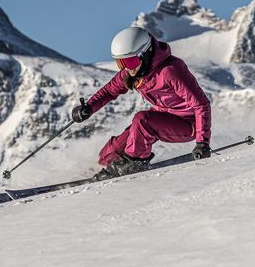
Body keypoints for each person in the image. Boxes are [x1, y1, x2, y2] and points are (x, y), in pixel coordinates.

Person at [71, 26, 212, 179]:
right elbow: (109, 91)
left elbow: (201, 104)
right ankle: (104, 168)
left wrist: (202, 143)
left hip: (188, 124)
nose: (126, 68)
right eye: (120, 63)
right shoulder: (132, 73)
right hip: (161, 116)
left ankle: (134, 163)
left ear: (145, 53)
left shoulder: (170, 70)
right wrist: (89, 107)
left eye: (130, 62)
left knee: (142, 120)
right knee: (111, 152)